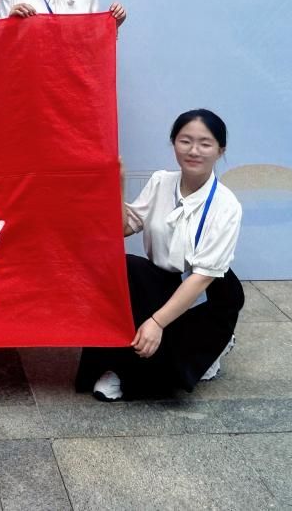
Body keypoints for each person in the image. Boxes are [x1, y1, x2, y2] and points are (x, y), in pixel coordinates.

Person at [75, 109, 244, 401]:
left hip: (207, 293)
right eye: (185, 141)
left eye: (205, 143)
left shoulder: (227, 205)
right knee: (124, 267)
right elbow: (123, 228)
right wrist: (117, 185)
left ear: (220, 150)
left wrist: (157, 323)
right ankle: (116, 365)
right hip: (163, 281)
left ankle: (215, 343)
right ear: (173, 143)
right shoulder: (161, 182)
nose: (193, 151)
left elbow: (202, 278)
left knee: (167, 382)